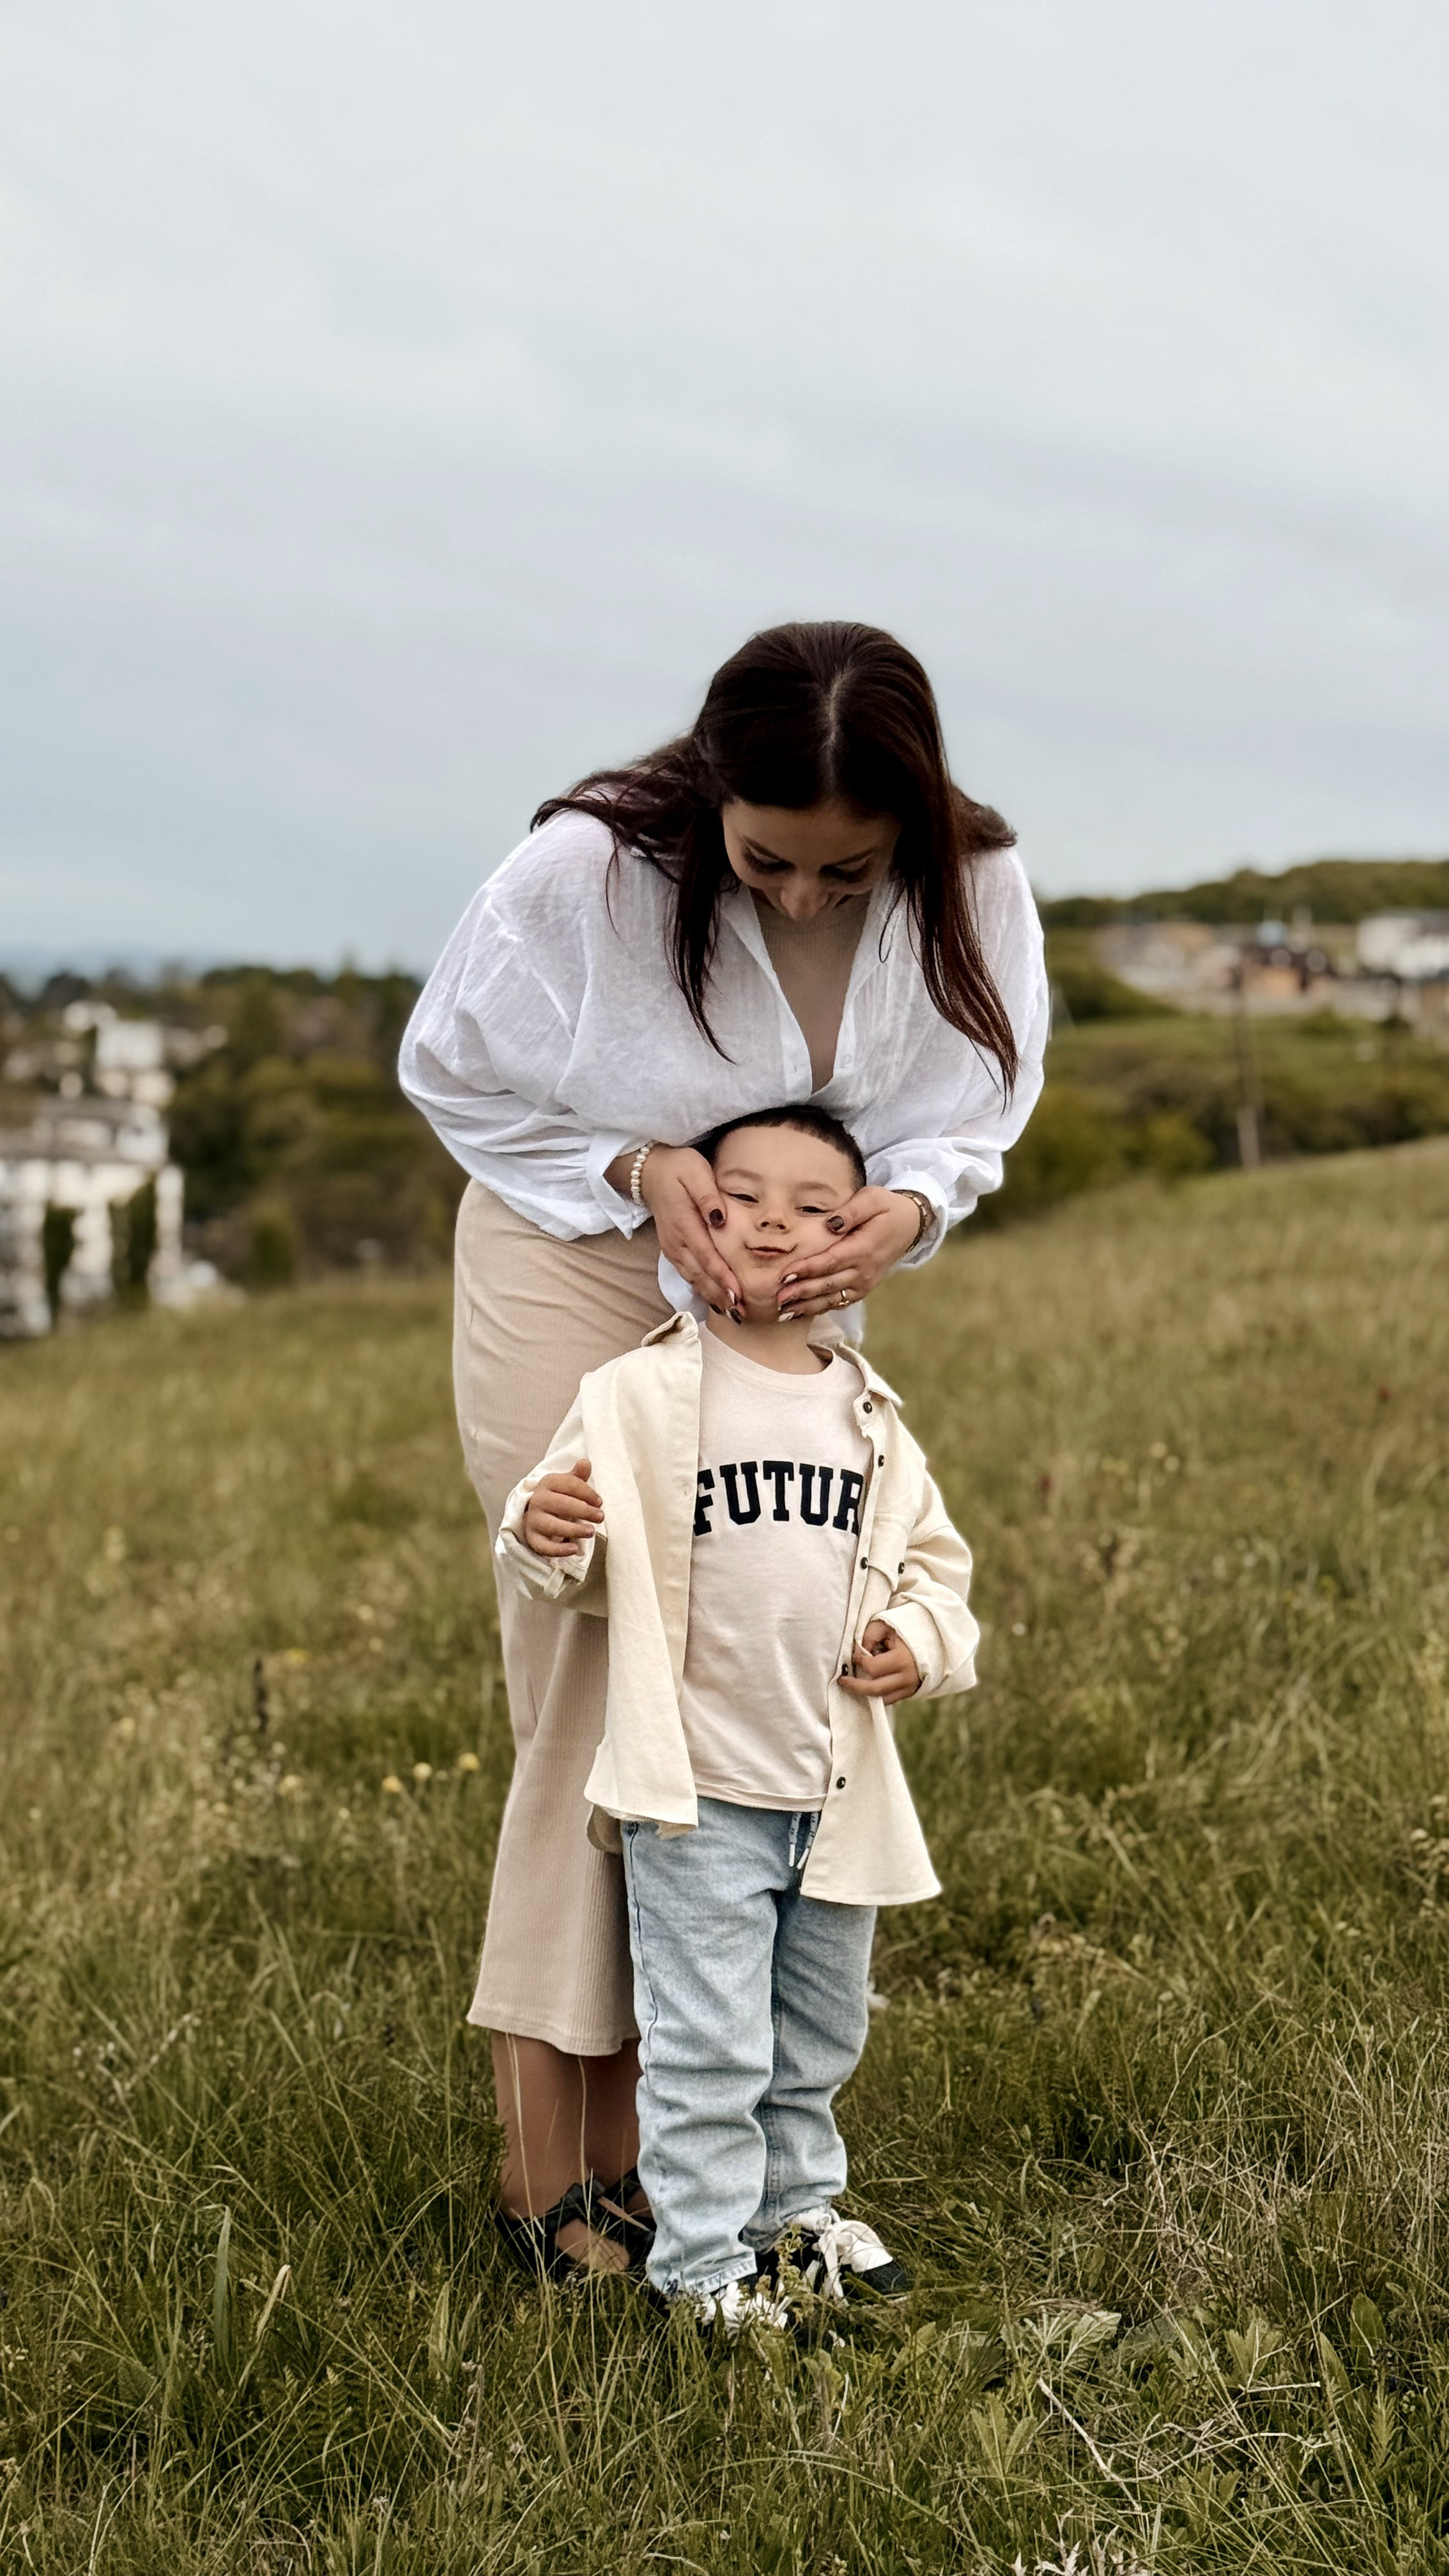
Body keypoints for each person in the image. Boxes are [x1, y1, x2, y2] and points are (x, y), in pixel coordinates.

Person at [399, 620, 1046, 2274]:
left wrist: (902, 1207)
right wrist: (634, 1170)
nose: (809, 901)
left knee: (750, 1673)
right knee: (596, 1669)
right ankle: (562, 2173)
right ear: (710, 799)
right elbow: (452, 1074)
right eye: (771, 863)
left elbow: (974, 1108)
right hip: (573, 1260)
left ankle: (715, 2154)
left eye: (851, 871)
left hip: (790, 1302)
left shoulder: (972, 884)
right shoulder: (580, 870)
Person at [501, 1107, 978, 2324]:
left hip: (831, 1791)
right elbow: (555, 1535)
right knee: (710, 2042)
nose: (775, 1221)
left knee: (815, 2034)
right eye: (739, 1199)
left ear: (857, 1247)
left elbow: (938, 1571)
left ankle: (795, 2218)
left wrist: (916, 1642)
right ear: (687, 1233)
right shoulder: (636, 1394)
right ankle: (704, 2268)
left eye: (817, 1208)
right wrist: (540, 1532)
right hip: (699, 1792)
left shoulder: (870, 1416)